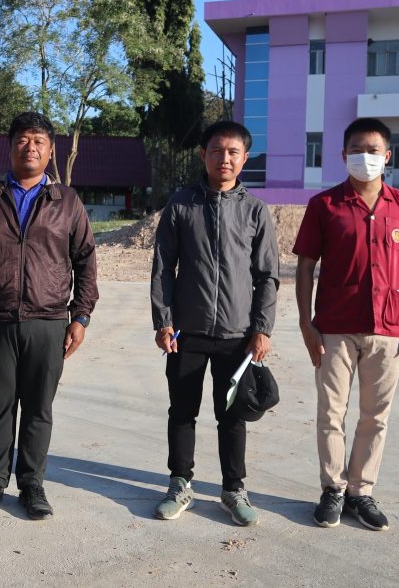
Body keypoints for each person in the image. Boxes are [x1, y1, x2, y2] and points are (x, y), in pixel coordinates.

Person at [0, 111, 99, 521]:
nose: (30, 147)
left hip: (48, 321)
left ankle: (32, 483)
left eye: (39, 141)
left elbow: (86, 262)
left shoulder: (66, 201)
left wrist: (80, 316)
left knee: (38, 406)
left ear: (51, 151)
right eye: (22, 140)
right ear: (10, 147)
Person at [293, 117, 399, 531]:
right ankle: (333, 489)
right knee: (330, 414)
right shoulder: (324, 206)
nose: (365, 157)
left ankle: (361, 492)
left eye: (373, 151)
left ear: (387, 156)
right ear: (343, 155)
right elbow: (305, 266)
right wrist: (305, 322)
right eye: (357, 150)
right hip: (333, 327)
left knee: (376, 416)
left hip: (387, 329)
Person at [150, 121, 280, 527]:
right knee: (182, 411)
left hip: (237, 336)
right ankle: (179, 484)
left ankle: (233, 489)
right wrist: (163, 321)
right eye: (216, 150)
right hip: (186, 332)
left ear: (244, 158)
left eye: (233, 152)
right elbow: (163, 267)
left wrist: (262, 328)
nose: (224, 158)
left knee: (232, 415)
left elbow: (267, 275)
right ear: (203, 155)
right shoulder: (181, 205)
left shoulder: (255, 210)